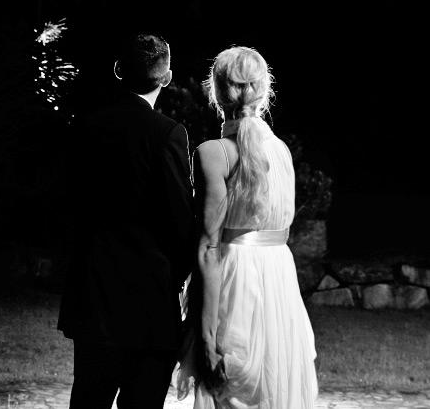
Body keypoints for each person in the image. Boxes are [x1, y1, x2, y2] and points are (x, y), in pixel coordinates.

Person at [176, 45, 318, 409]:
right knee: (271, 390)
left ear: (217, 92)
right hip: (278, 286)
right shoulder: (282, 152)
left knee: (226, 390)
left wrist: (205, 337)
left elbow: (208, 247)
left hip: (234, 282)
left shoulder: (212, 153)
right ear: (263, 91)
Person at [58, 32, 194, 409]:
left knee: (88, 400)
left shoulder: (85, 127)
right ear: (166, 78)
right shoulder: (168, 133)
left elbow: (69, 206)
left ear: (118, 70)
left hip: (93, 295)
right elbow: (180, 219)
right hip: (149, 303)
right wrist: (178, 276)